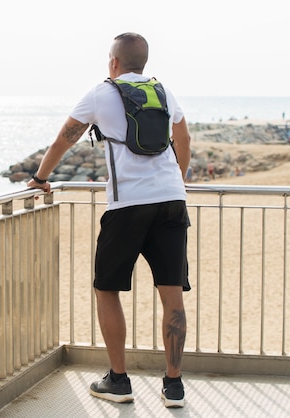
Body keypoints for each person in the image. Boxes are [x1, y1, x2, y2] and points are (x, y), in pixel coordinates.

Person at [28, 32, 191, 408]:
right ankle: (174, 386)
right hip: (171, 201)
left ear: (114, 62)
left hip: (128, 205)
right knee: (172, 295)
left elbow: (64, 139)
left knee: (107, 289)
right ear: (143, 62)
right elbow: (182, 137)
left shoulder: (103, 93)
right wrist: (178, 179)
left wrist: (40, 178)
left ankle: (118, 380)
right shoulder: (163, 90)